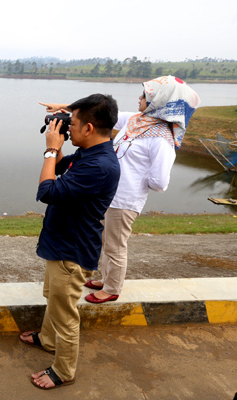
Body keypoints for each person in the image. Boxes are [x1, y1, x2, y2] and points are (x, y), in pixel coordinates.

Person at [39, 76, 201, 304]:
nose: (139, 98)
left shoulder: (162, 139)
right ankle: (104, 278)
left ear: (161, 101)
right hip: (105, 193)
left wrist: (131, 177)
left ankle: (112, 287)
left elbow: (160, 182)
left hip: (125, 199)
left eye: (145, 95)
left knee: (115, 245)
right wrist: (63, 108)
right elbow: (101, 116)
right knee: (104, 239)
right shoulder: (137, 120)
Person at [20, 94, 121, 390]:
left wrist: (51, 150)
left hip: (72, 251)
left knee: (66, 316)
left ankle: (63, 370)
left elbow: (48, 191)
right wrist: (63, 124)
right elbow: (64, 167)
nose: (68, 129)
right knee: (55, 299)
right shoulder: (91, 152)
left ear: (89, 128)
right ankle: (47, 340)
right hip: (62, 243)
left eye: (72, 124)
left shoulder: (100, 166)